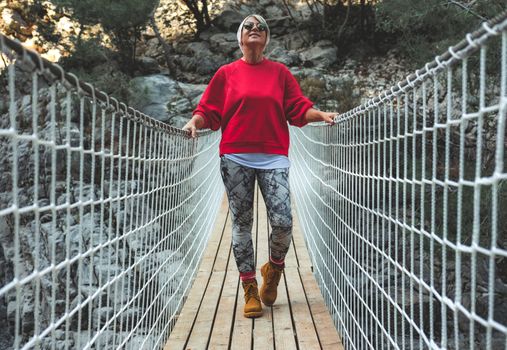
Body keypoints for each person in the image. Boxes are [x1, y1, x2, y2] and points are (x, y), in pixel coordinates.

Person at [182, 14, 336, 318]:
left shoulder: (279, 73)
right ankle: (250, 289)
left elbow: (297, 108)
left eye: (261, 27)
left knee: (282, 221)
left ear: (266, 38)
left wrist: (321, 116)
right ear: (240, 37)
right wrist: (194, 121)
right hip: (235, 157)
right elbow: (208, 111)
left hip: (274, 156)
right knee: (241, 224)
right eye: (249, 26)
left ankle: (274, 270)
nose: (256, 29)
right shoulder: (226, 74)